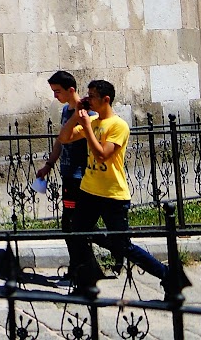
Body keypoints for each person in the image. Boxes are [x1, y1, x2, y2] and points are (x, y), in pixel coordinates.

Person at [59, 78, 167, 283]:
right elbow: (64, 138)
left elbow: (102, 155)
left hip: (112, 194)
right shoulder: (93, 122)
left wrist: (87, 127)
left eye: (92, 96)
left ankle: (166, 275)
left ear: (106, 99)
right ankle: (86, 282)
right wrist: (76, 116)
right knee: (77, 234)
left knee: (123, 246)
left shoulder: (119, 126)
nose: (88, 100)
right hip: (89, 191)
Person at [35, 71, 90, 274]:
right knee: (70, 223)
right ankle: (82, 265)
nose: (55, 96)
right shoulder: (67, 110)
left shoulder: (87, 114)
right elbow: (60, 140)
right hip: (67, 174)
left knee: (72, 224)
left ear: (71, 90)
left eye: (58, 91)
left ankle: (80, 266)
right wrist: (49, 165)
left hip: (80, 176)